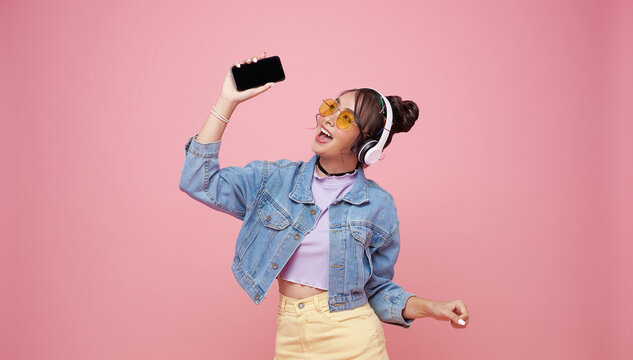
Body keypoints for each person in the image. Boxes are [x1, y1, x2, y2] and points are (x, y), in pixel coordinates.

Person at [179, 52, 470, 360]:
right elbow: (198, 181)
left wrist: (432, 308)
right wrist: (227, 101)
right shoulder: (275, 180)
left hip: (354, 341)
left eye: (345, 118)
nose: (328, 118)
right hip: (291, 339)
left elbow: (378, 291)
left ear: (367, 146)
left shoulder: (378, 205)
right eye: (331, 107)